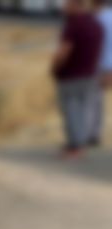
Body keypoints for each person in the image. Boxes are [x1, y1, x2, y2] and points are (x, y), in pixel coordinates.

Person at [52, 0, 104, 157]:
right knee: (84, 111)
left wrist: (55, 68)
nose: (64, 8)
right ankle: (81, 142)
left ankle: (75, 145)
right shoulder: (96, 24)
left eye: (67, 4)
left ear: (75, 5)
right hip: (89, 74)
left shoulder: (74, 25)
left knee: (71, 111)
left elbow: (64, 51)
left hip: (72, 74)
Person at [93, 0, 112, 146]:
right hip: (106, 64)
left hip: (100, 65)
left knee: (96, 101)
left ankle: (94, 133)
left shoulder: (98, 18)